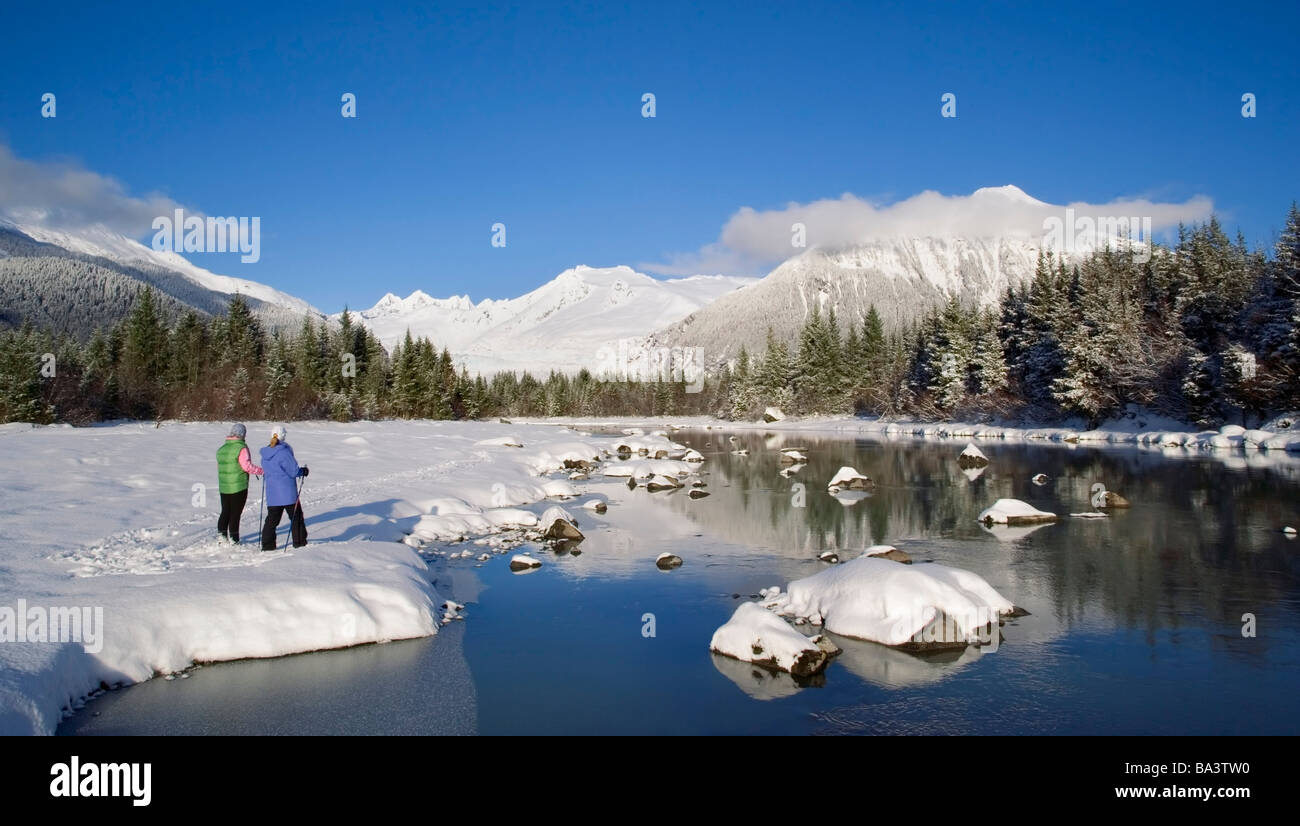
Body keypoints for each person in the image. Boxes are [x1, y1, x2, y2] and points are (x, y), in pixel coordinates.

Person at [260, 424, 309, 550]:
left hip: (272, 493)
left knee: (271, 520)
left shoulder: (265, 453)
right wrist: (303, 471)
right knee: (296, 517)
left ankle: (267, 545)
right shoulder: (284, 452)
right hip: (287, 493)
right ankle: (299, 542)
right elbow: (293, 471)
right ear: (283, 436)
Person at [216, 423, 263, 544]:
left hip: (224, 486)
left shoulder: (222, 449)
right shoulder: (241, 448)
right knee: (235, 513)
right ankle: (234, 538)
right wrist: (261, 471)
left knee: (225, 510)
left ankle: (222, 535)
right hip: (238, 486)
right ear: (242, 434)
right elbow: (246, 466)